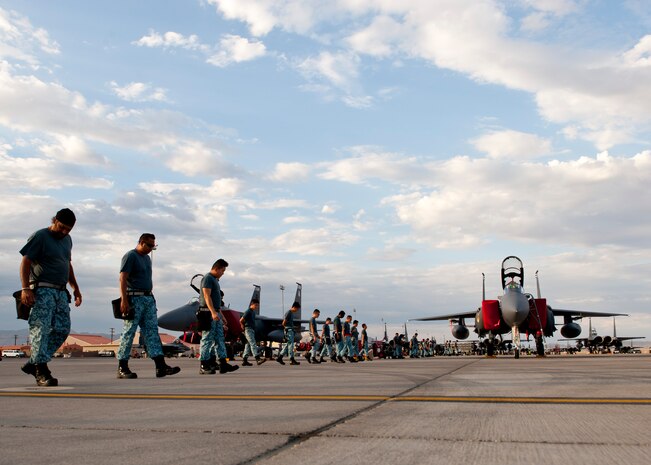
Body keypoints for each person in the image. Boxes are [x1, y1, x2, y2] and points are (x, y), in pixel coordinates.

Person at [19, 208, 82, 386]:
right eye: (61, 227)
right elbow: (25, 261)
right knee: (41, 328)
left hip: (61, 291)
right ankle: (41, 369)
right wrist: (25, 288)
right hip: (42, 289)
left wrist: (75, 287)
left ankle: (34, 362)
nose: (64, 232)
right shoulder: (40, 236)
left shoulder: (67, 240)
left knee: (63, 329)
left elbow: (67, 264)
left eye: (68, 230)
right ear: (54, 220)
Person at [116, 233, 179, 379]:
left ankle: (160, 366)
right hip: (134, 298)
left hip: (147, 298)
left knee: (152, 332)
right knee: (129, 332)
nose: (151, 248)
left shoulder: (147, 258)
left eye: (153, 246)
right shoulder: (130, 256)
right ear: (141, 242)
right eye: (150, 245)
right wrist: (124, 300)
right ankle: (122, 367)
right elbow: (122, 278)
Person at [198, 259, 238, 374]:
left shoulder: (215, 280)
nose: (223, 273)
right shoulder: (207, 278)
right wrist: (213, 312)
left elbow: (216, 300)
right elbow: (207, 296)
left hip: (215, 313)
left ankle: (223, 364)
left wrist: (221, 314)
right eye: (223, 270)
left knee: (219, 339)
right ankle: (203, 365)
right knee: (207, 340)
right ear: (217, 268)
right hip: (207, 313)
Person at [240, 298, 266, 366]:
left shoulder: (253, 312)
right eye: (256, 305)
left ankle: (245, 360)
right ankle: (258, 359)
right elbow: (241, 320)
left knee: (248, 345)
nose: (257, 307)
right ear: (252, 304)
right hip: (248, 329)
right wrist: (242, 326)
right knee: (253, 343)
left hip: (251, 330)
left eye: (258, 305)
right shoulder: (248, 311)